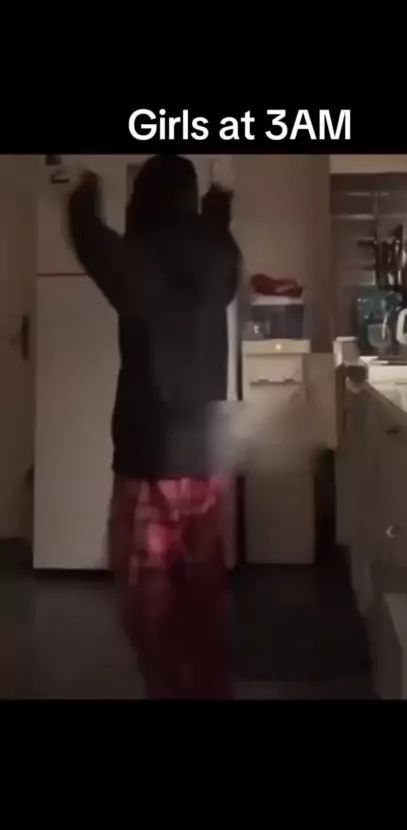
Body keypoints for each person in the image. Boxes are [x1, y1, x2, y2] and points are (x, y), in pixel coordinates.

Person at [67, 155, 241, 699]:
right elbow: (216, 228)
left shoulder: (139, 259)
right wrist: (218, 207)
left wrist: (84, 188)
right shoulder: (219, 254)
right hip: (207, 459)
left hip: (150, 458)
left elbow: (90, 238)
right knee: (203, 603)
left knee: (149, 605)